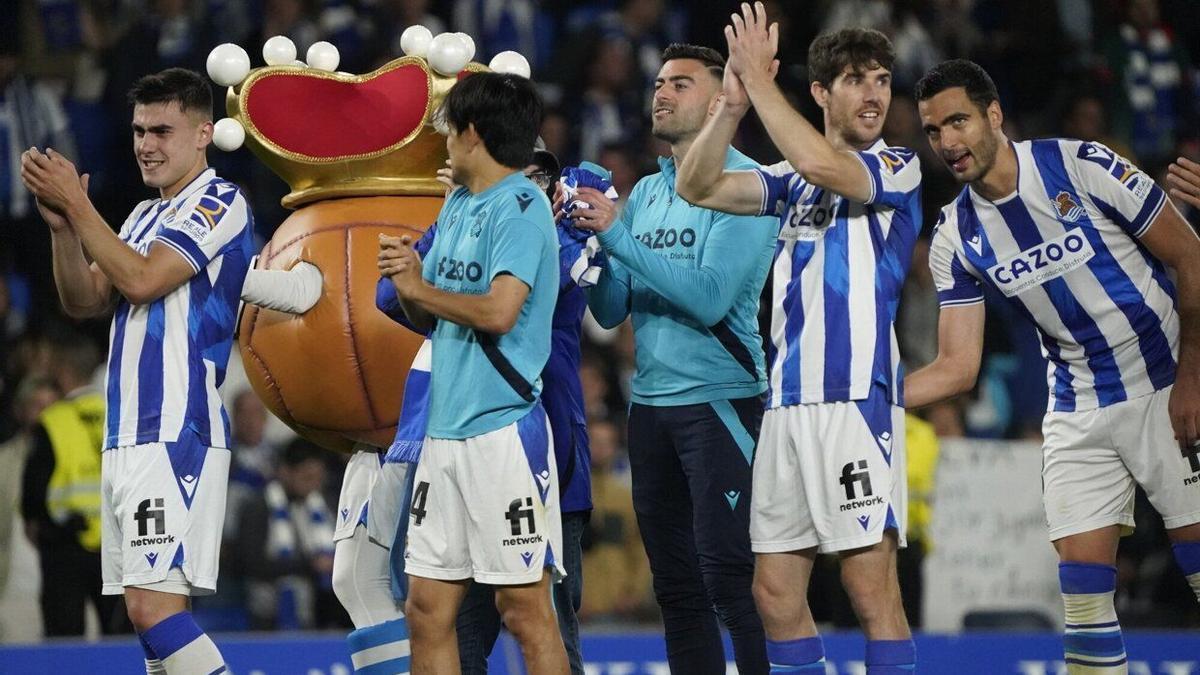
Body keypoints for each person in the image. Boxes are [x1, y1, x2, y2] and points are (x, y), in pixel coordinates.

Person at [907, 58, 1200, 673]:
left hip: (1168, 381)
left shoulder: (1082, 165)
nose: (948, 142)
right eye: (934, 131)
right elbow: (957, 368)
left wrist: (1193, 377)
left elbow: (1190, 256)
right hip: (1077, 406)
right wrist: (862, 396)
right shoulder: (954, 237)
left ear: (994, 115)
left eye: (958, 121)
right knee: (1085, 601)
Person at [674, 5, 921, 671]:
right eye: (856, 80)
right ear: (820, 93)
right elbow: (694, 184)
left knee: (870, 588)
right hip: (784, 406)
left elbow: (819, 161)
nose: (874, 94)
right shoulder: (789, 183)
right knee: (775, 591)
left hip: (852, 401)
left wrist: (759, 86)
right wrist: (730, 102)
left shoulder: (896, 167)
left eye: (882, 81)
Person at [20, 67, 253, 674]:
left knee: (151, 609)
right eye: (138, 131)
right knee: (147, 621)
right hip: (128, 433)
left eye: (162, 131)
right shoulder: (142, 217)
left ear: (204, 133)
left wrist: (79, 200)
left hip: (178, 424)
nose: (146, 144)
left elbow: (142, 280)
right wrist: (66, 231)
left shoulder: (220, 201)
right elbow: (85, 301)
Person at [570, 41, 776, 674]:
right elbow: (610, 312)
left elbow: (711, 300)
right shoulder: (648, 194)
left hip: (721, 401)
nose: (660, 92)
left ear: (720, 100)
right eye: (658, 82)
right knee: (677, 590)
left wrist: (619, 235)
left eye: (680, 84)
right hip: (651, 409)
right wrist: (589, 248)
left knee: (728, 578)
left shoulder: (750, 186)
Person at [378, 71, 568, 675]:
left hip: (502, 433)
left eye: (448, 130)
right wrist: (410, 278)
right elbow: (426, 312)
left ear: (474, 133)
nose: (443, 143)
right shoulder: (458, 201)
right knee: (426, 609)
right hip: (445, 430)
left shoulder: (522, 207)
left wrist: (418, 287)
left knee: (524, 610)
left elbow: (500, 311)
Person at [20, 336, 127, 636]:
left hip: (65, 545)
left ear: (64, 373)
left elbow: (34, 493)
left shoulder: (54, 420)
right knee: (120, 641)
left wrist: (38, 526)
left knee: (64, 640)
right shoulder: (119, 415)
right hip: (116, 544)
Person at [232, 438, 335, 630]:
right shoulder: (259, 507)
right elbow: (251, 562)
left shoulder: (321, 506)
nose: (313, 485)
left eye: (318, 479)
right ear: (285, 471)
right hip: (266, 609)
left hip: (319, 605)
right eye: (307, 477)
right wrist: (310, 565)